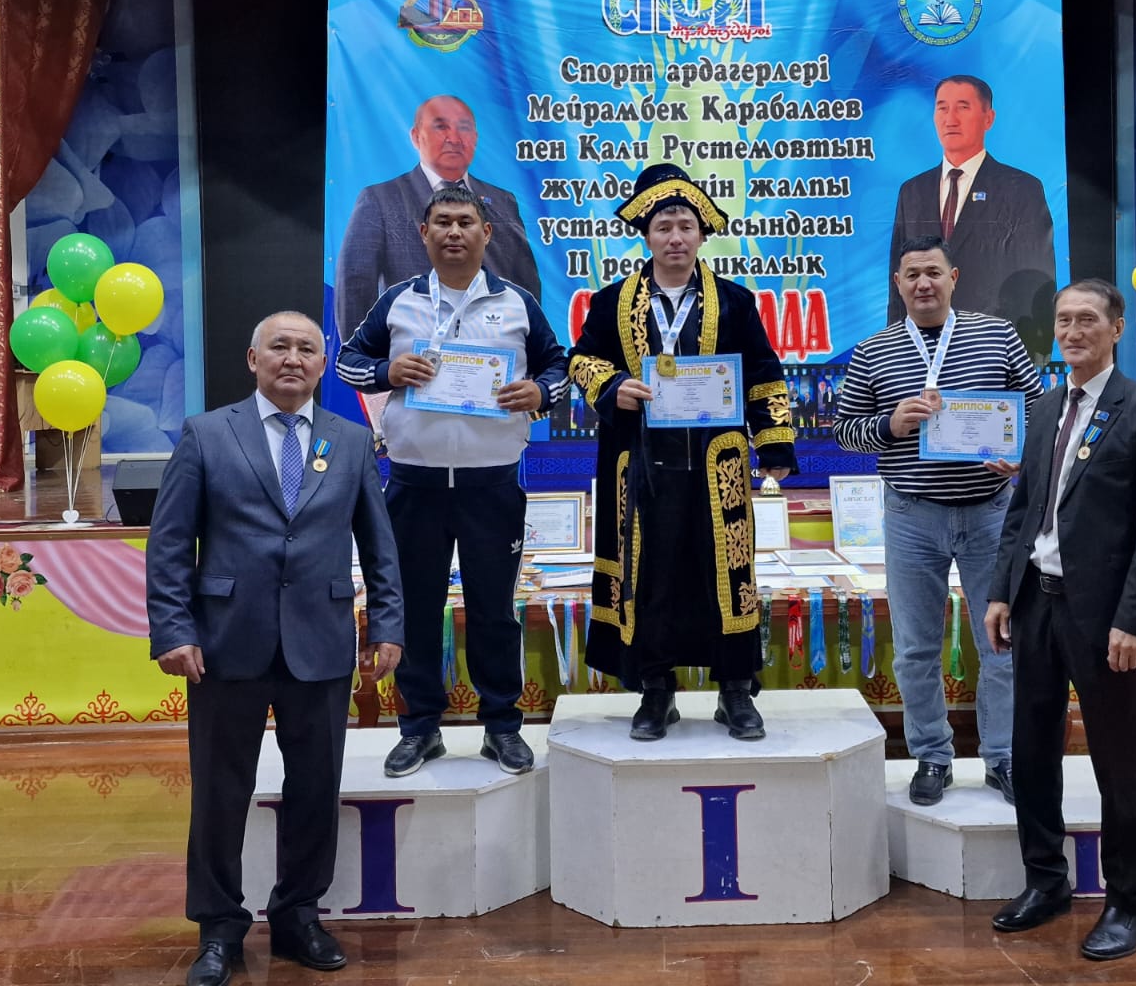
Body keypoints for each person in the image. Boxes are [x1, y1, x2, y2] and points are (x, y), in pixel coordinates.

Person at [147, 312, 403, 986]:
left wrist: (388, 626)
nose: (293, 358)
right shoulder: (206, 434)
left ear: (322, 364)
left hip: (321, 642)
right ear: (253, 358)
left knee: (315, 788)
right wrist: (173, 630)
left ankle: (297, 916)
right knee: (220, 791)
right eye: (280, 347)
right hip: (225, 642)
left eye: (307, 348)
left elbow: (380, 545)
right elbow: (169, 544)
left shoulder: (352, 440)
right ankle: (218, 928)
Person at [984, 278, 1136, 962]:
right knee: (1032, 752)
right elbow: (1024, 511)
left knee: (1115, 759)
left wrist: (1134, 620)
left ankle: (1129, 903)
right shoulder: (1045, 407)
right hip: (1037, 603)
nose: (1072, 332)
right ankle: (1045, 881)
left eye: (1087, 320)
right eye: (1064, 320)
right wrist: (1001, 592)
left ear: (1116, 328)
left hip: (1107, 617)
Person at [337, 184, 568, 778]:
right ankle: (418, 729)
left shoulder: (516, 303)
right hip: (413, 485)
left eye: (466, 222)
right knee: (416, 610)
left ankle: (502, 726)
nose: (454, 232)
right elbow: (346, 361)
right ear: (424, 234)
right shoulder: (398, 302)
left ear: (486, 234)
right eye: (442, 222)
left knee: (495, 611)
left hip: (492, 486)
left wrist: (539, 391)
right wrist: (386, 370)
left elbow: (559, 367)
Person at [569, 162, 797, 741]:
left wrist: (773, 442)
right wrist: (612, 386)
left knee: (728, 570)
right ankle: (655, 689)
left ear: (701, 234)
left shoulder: (736, 301)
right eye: (664, 226)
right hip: (641, 463)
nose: (675, 237)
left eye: (685, 226)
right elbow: (581, 360)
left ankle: (736, 689)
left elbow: (765, 373)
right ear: (646, 235)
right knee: (651, 574)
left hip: (718, 466)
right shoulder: (611, 302)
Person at [833, 237, 1043, 808]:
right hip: (911, 517)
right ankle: (931, 756)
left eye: (933, 272)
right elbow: (845, 432)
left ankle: (1003, 757)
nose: (923, 283)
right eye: (912, 275)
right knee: (914, 650)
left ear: (954, 277)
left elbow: (1039, 409)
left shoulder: (997, 336)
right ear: (898, 284)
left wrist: (1022, 456)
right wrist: (891, 425)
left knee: (1001, 642)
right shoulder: (873, 351)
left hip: (991, 513)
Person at [335, 94, 541, 337]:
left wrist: (525, 347)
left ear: (475, 138)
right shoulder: (381, 200)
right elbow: (355, 286)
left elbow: (526, 285)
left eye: (464, 128)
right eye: (441, 127)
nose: (454, 138)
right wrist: (365, 355)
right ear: (416, 136)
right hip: (411, 349)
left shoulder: (503, 201)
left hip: (491, 348)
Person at [888, 75, 1056, 359]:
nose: (950, 119)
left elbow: (1036, 279)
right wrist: (895, 350)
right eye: (942, 108)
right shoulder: (912, 191)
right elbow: (898, 282)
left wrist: (1034, 356)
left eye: (963, 107)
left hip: (993, 352)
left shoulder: (1021, 188)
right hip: (921, 352)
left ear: (988, 118)